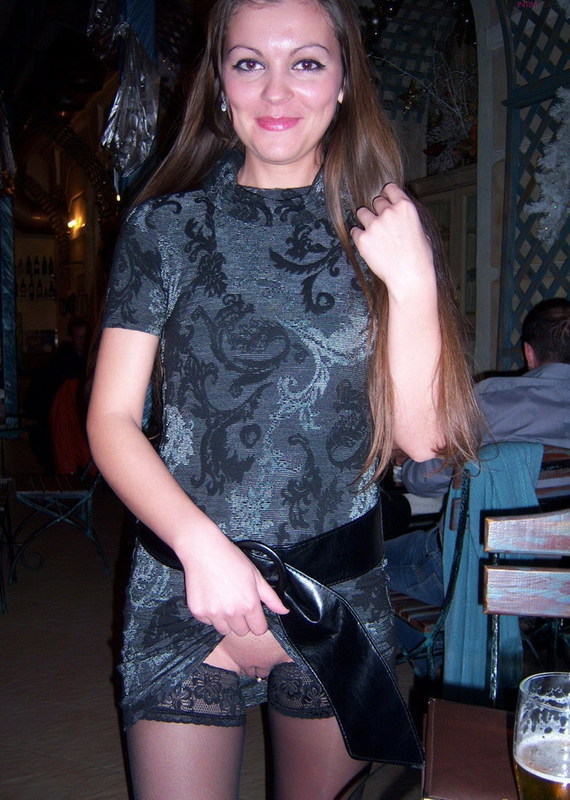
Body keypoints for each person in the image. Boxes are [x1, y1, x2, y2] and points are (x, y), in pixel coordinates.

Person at [86, 0, 480, 796]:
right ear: (219, 82)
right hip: (185, 586)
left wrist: (411, 281)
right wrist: (201, 549)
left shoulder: (392, 231)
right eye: (248, 63)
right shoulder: (165, 228)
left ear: (344, 82)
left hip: (335, 593)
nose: (275, 92)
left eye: (305, 63)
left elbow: (425, 440)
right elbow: (112, 418)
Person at [385, 297, 570, 674]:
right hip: (557, 583)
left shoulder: (491, 399)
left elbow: (424, 481)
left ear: (529, 352)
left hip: (473, 571)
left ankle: (439, 669)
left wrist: (408, 463)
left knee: (361, 567)